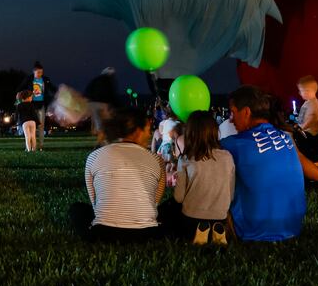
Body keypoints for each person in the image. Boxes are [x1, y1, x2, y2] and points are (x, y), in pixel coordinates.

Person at [220, 86, 306, 242]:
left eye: (233, 112)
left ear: (246, 112)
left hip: (253, 230)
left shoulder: (233, 144)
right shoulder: (286, 138)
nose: (231, 119)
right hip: (293, 226)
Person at [68, 107, 164, 240]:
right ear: (137, 131)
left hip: (103, 233)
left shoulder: (93, 157)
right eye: (147, 130)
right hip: (147, 234)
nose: (149, 135)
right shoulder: (157, 159)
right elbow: (154, 202)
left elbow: (95, 203)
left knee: (77, 209)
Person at [161, 111, 235, 244]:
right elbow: (231, 194)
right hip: (220, 217)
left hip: (191, 218)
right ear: (214, 131)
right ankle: (217, 233)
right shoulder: (228, 157)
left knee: (166, 210)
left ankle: (200, 233)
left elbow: (178, 198)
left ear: (190, 133)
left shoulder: (185, 159)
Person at [293, 76, 318, 162]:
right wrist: (298, 122)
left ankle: (311, 159)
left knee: (309, 149)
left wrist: (301, 127)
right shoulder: (308, 102)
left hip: (310, 133)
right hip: (306, 131)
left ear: (308, 91)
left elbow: (312, 117)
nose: (300, 93)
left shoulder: (313, 103)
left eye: (301, 91)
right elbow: (303, 115)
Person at [22, 63, 47, 151]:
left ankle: (40, 145)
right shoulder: (29, 79)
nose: (40, 74)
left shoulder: (44, 80)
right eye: (38, 72)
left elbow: (50, 88)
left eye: (41, 72)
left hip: (41, 105)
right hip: (31, 106)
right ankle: (28, 146)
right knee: (30, 127)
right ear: (34, 72)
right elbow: (21, 87)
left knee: (41, 125)